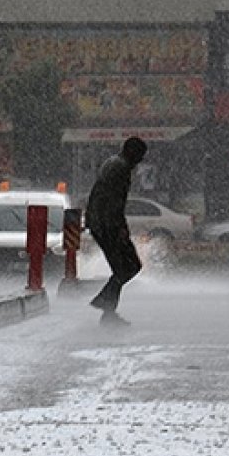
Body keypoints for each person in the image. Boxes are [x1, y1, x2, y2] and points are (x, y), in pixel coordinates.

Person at [84, 137, 147, 324]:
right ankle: (105, 305)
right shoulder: (120, 169)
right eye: (139, 156)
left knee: (124, 268)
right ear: (132, 153)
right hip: (107, 225)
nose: (140, 162)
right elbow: (114, 201)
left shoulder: (113, 164)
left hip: (100, 222)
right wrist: (119, 227)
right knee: (129, 266)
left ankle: (107, 307)